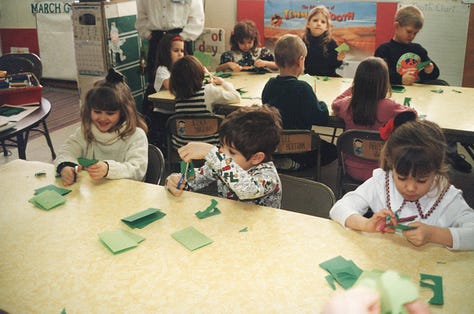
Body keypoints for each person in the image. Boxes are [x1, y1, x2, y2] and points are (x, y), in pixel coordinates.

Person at [329, 119, 474, 250]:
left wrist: (434, 234)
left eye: (421, 180)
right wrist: (366, 224)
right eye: (402, 178)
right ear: (392, 166)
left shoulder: (446, 195)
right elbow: (339, 208)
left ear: (436, 172)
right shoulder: (382, 182)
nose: (410, 188)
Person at [374, 5, 471, 173]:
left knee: (440, 105)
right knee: (404, 127)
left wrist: (430, 70)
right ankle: (396, 152)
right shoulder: (384, 50)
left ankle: (451, 152)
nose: (412, 36)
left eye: (415, 33)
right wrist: (400, 79)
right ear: (397, 26)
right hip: (394, 98)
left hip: (419, 98)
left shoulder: (418, 50)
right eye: (409, 31)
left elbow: (434, 74)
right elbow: (379, 75)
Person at [165, 105, 283, 208]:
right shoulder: (221, 164)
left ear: (256, 158)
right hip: (230, 224)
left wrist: (212, 153)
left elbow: (247, 189)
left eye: (231, 152)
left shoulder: (268, 176)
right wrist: (175, 181)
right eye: (221, 145)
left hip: (262, 230)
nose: (222, 152)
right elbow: (192, 180)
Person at [54, 69, 149, 186]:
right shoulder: (86, 131)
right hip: (95, 193)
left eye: (110, 113)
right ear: (90, 110)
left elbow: (137, 170)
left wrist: (108, 169)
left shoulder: (136, 135)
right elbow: (67, 151)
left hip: (125, 194)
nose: (103, 118)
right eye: (97, 111)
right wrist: (66, 166)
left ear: (123, 112)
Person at [331, 56, 416, 181]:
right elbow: (412, 115)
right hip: (381, 171)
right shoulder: (390, 107)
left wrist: (354, 89)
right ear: (384, 82)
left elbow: (335, 103)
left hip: (350, 169)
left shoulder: (346, 105)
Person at [261, 34, 336, 170]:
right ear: (301, 61)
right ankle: (299, 164)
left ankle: (281, 158)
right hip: (300, 149)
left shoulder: (270, 85)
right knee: (333, 150)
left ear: (276, 62)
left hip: (274, 144)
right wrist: (320, 102)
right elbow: (321, 118)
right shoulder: (303, 88)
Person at [169, 55, 240, 149]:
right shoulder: (208, 91)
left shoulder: (178, 94)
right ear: (200, 74)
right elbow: (236, 97)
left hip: (182, 147)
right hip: (209, 147)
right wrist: (223, 83)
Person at [147, 34, 185, 151]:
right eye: (176, 51)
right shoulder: (162, 69)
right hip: (164, 113)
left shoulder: (181, 68)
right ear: (166, 52)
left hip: (177, 110)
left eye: (182, 51)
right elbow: (171, 86)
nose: (180, 54)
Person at [302, 6, 345, 77]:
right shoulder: (302, 41)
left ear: (326, 27)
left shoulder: (331, 43)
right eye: (315, 20)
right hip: (309, 77)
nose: (319, 24)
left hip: (329, 77)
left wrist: (339, 59)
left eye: (323, 22)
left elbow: (335, 65)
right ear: (308, 24)